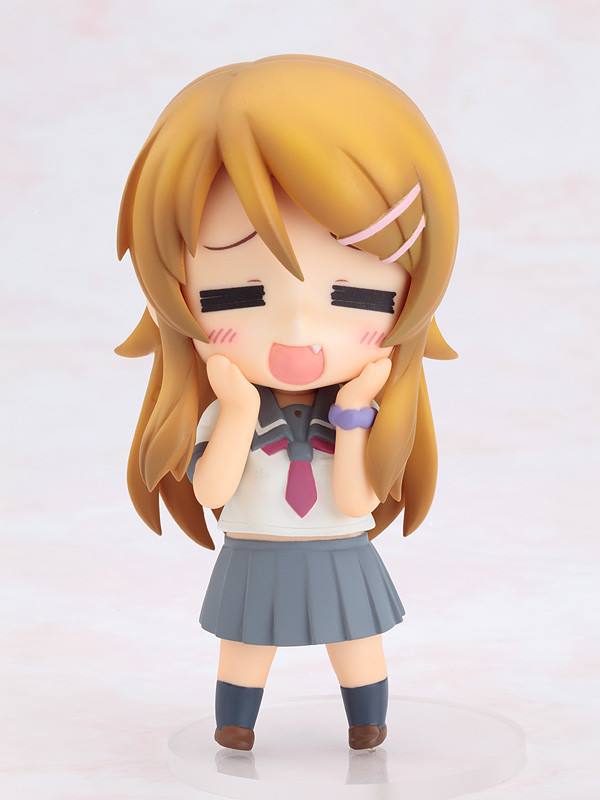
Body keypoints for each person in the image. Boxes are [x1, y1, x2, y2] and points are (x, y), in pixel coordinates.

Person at [116, 55, 459, 751]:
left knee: (357, 638)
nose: (298, 334)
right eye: (233, 297)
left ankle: (367, 722)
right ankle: (235, 724)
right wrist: (238, 411)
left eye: (355, 296)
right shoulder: (229, 409)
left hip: (339, 550)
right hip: (254, 550)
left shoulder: (355, 412)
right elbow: (213, 490)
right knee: (246, 642)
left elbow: (357, 500)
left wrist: (356, 415)